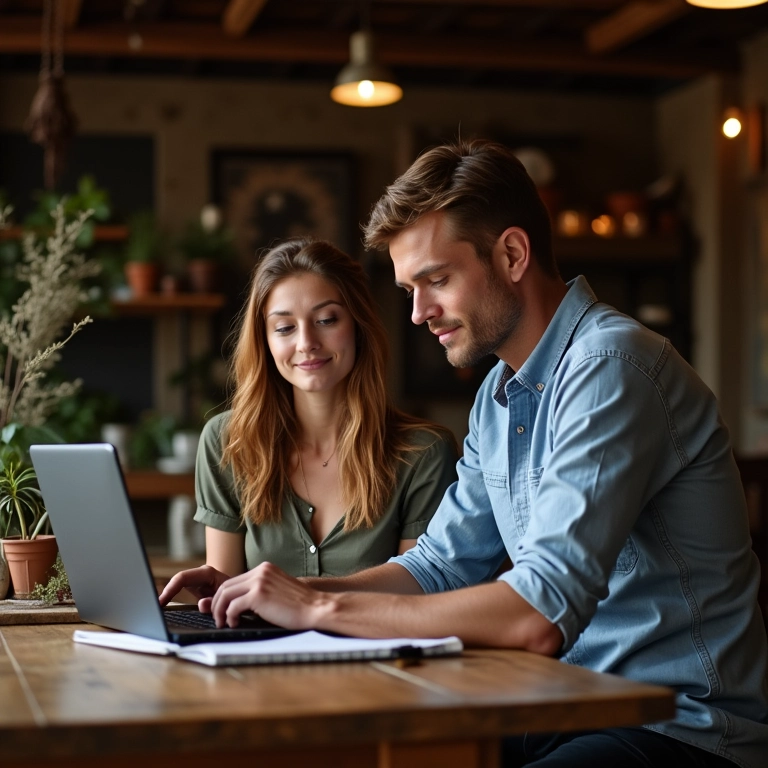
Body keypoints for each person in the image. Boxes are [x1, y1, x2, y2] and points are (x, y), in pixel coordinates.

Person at [171, 141, 768, 768]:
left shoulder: (609, 367)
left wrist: (318, 606)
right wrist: (277, 594)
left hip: (675, 725)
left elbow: (540, 612)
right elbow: (440, 567)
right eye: (408, 289)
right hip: (566, 703)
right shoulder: (499, 396)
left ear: (512, 254)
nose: (418, 313)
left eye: (436, 280)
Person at [159, 237, 457, 601]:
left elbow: (416, 598)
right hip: (255, 655)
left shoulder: (422, 453)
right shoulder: (227, 442)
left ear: (358, 325)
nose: (306, 342)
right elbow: (226, 598)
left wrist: (301, 597)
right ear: (264, 341)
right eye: (284, 327)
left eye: (326, 319)